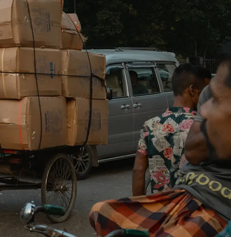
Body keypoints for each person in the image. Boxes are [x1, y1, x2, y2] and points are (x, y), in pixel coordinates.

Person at [90, 43, 231, 237]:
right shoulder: (196, 117)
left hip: (210, 205)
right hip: (182, 194)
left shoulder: (151, 125)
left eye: (217, 100)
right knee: (101, 211)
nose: (204, 109)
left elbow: (139, 170)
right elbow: (192, 153)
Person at [132, 64, 208, 196]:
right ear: (192, 90)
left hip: (160, 206)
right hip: (192, 208)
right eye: (207, 93)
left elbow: (138, 170)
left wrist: (140, 207)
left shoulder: (149, 125)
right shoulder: (202, 127)